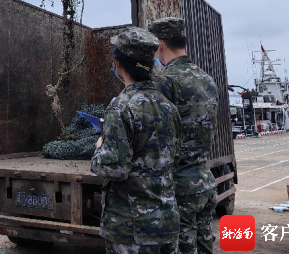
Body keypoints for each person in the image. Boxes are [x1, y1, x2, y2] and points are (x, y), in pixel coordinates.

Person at [91, 26, 183, 254]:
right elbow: (175, 158)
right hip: (167, 221)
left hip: (132, 229)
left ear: (118, 64)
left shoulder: (121, 107)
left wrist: (98, 149)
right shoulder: (169, 107)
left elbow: (114, 167)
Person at [149, 17, 219, 254]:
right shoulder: (207, 80)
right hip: (204, 179)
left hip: (180, 185)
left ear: (160, 45)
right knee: (205, 243)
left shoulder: (166, 81)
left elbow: (155, 137)